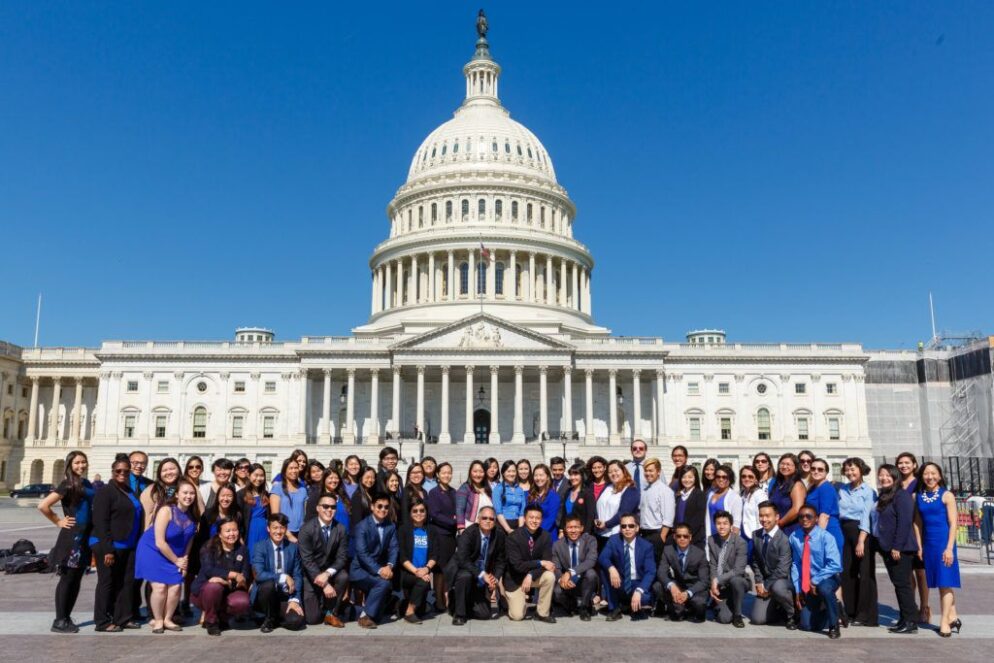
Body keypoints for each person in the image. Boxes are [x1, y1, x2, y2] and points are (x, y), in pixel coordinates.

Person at [38, 450, 94, 633]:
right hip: (73, 537)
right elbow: (43, 505)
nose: (81, 466)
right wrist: (58, 521)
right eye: (77, 463)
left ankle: (66, 616)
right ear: (70, 465)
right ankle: (59, 619)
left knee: (76, 579)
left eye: (83, 462)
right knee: (67, 578)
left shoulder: (85, 483)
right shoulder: (68, 484)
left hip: (85, 536)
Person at [135, 478, 199, 633]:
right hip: (152, 550)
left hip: (175, 554)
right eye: (185, 493)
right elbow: (159, 541)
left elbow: (188, 542)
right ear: (177, 494)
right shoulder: (166, 510)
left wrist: (184, 560)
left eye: (191, 493)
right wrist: (177, 561)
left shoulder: (193, 516)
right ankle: (157, 620)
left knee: (176, 586)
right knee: (160, 587)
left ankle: (168, 619)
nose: (188, 496)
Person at [91, 455, 144, 632]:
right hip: (109, 545)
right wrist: (108, 549)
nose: (122, 473)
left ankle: (123, 617)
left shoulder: (128, 490)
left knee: (126, 582)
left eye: (125, 471)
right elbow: (100, 521)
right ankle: (102, 620)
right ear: (112, 472)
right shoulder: (106, 491)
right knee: (107, 582)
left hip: (128, 544)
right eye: (118, 471)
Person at [867, 464, 918, 634]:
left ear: (895, 477)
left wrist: (897, 546)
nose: (884, 478)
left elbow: (904, 523)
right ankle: (905, 618)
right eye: (881, 475)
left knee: (903, 585)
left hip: (900, 549)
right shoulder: (884, 495)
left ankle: (911, 621)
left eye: (888, 475)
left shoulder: (901, 496)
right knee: (898, 584)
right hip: (888, 547)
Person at [914, 462, 962, 637]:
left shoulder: (947, 495)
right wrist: (919, 546)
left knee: (945, 581)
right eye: (926, 473)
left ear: (940, 476)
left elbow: (953, 523)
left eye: (933, 473)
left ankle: (944, 623)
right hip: (929, 544)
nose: (930, 477)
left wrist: (949, 548)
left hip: (944, 543)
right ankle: (953, 617)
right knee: (940, 581)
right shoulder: (918, 496)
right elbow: (917, 523)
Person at [445, 506, 506, 625]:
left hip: (483, 575)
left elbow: (501, 560)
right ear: (478, 519)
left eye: (491, 519)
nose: (488, 521)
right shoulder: (469, 533)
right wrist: (482, 575)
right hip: (464, 569)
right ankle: (459, 614)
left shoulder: (499, 535)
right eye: (484, 518)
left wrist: (495, 578)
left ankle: (462, 603)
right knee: (465, 576)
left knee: (485, 614)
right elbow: (463, 559)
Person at [190, 518, 251, 636]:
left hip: (230, 589)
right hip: (204, 592)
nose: (232, 534)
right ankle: (211, 621)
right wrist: (232, 575)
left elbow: (245, 574)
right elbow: (208, 570)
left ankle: (223, 617)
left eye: (235, 530)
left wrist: (230, 581)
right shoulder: (209, 547)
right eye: (228, 531)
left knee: (242, 602)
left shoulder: (242, 550)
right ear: (219, 533)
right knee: (214, 587)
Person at [297, 491, 349, 627]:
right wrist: (324, 584)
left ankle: (331, 613)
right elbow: (307, 560)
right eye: (325, 506)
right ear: (318, 508)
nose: (329, 510)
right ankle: (322, 602)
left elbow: (342, 557)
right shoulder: (306, 529)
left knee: (343, 576)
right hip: (311, 574)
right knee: (313, 619)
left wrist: (327, 574)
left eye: (333, 507)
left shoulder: (341, 529)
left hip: (330, 572)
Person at [790, 504, 842, 638]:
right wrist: (797, 589)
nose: (805, 519)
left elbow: (835, 564)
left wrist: (815, 580)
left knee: (824, 589)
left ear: (816, 519)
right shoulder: (794, 537)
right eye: (801, 517)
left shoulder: (826, 537)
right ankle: (832, 607)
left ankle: (834, 625)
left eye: (809, 516)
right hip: (808, 581)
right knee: (807, 626)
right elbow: (795, 564)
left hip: (827, 578)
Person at [838, 456, 878, 627]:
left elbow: (866, 516)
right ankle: (851, 610)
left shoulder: (868, 492)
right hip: (843, 530)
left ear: (861, 470)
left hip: (861, 531)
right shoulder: (841, 490)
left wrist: (861, 540)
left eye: (853, 468)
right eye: (847, 469)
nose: (850, 472)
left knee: (864, 573)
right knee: (847, 572)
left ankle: (865, 614)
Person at [349, 492, 399, 628]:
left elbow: (394, 548)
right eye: (379, 506)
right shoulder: (362, 526)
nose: (383, 510)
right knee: (383, 584)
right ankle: (366, 616)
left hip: (379, 568)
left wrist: (389, 566)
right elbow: (362, 554)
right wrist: (379, 570)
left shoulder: (391, 526)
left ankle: (362, 613)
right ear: (372, 507)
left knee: (379, 613)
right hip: (360, 570)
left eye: (386, 507)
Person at [251, 512, 305, 632]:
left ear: (286, 529)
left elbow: (297, 575)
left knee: (296, 622)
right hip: (266, 595)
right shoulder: (260, 546)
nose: (278, 531)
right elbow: (259, 574)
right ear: (268, 529)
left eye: (282, 528)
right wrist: (283, 576)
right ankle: (269, 618)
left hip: (285, 595)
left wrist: (294, 600)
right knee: (268, 585)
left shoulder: (292, 548)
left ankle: (276, 618)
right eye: (275, 527)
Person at [502, 504, 556, 622]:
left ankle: (542, 613)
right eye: (531, 517)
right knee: (517, 616)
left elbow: (547, 563)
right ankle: (506, 598)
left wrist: (531, 574)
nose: (534, 521)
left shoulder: (545, 536)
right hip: (515, 579)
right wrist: (539, 562)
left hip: (533, 576)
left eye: (538, 518)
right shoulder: (513, 537)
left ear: (541, 520)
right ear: (525, 518)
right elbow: (517, 565)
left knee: (550, 576)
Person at [599, 513, 656, 621]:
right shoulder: (614, 540)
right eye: (624, 526)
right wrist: (611, 568)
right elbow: (602, 557)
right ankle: (614, 608)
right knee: (604, 569)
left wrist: (639, 591)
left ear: (637, 528)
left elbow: (650, 572)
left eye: (631, 526)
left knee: (644, 598)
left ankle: (634, 607)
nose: (627, 529)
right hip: (620, 581)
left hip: (637, 583)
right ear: (620, 529)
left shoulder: (646, 546)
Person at [750, 500, 796, 628]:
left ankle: (792, 614)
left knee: (778, 587)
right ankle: (778, 610)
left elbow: (783, 569)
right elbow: (755, 561)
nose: (764, 519)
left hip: (782, 583)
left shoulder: (784, 539)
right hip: (766, 582)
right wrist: (759, 581)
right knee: (757, 619)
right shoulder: (756, 535)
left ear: (776, 517)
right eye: (761, 515)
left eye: (767, 515)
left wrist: (766, 585)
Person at [897, 451, 929, 622]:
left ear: (914, 465)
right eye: (900, 463)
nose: (903, 466)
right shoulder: (896, 483)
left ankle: (924, 607)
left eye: (907, 462)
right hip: (902, 532)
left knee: (921, 572)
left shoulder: (919, 483)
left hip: (918, 530)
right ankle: (912, 606)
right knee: (906, 573)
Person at [654, 523, 709, 622]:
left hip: (693, 588)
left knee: (699, 603)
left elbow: (704, 581)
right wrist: (672, 586)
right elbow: (661, 572)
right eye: (679, 536)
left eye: (685, 536)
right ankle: (677, 608)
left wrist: (688, 593)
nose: (682, 538)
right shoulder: (668, 550)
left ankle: (689, 608)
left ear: (690, 537)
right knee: (657, 586)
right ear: (674, 537)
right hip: (677, 587)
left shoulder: (700, 554)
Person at [397, 499, 439, 623]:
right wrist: (417, 571)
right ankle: (409, 612)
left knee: (420, 612)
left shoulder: (431, 530)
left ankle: (405, 606)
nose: (418, 513)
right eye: (415, 511)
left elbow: (435, 555)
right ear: (410, 513)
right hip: (407, 573)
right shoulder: (403, 530)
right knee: (423, 582)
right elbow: (402, 557)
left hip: (424, 572)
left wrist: (426, 569)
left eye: (422, 510)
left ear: (426, 512)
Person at [551, 514, 599, 620]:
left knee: (591, 573)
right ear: (565, 529)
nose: (573, 531)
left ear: (581, 528)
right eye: (569, 527)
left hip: (583, 579)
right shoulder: (557, 545)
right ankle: (571, 605)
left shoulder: (590, 540)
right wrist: (561, 580)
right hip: (568, 582)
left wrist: (569, 573)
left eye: (576, 527)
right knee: (557, 592)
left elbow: (590, 561)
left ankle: (585, 607)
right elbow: (556, 567)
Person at [707, 510, 748, 627]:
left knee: (736, 580)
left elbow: (738, 570)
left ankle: (738, 615)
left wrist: (717, 580)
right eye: (718, 523)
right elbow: (713, 564)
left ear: (731, 525)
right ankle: (719, 603)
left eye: (725, 523)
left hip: (736, 581)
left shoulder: (740, 542)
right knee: (724, 619)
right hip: (720, 585)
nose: (722, 526)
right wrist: (713, 583)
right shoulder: (711, 540)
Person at [426, 462, 457, 611]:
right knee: (439, 569)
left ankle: (446, 598)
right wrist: (453, 521)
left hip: (451, 536)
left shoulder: (454, 491)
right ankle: (438, 600)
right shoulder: (434, 492)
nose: (446, 475)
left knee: (448, 569)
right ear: (437, 474)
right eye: (443, 472)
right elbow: (434, 514)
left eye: (449, 472)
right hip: (439, 534)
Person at [594, 461, 640, 547]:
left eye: (616, 470)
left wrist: (606, 524)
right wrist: (597, 520)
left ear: (623, 471)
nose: (613, 474)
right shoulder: (607, 487)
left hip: (617, 535)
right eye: (610, 472)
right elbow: (597, 505)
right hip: (600, 534)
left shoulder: (630, 490)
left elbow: (623, 513)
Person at [638, 457, 674, 561]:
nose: (648, 473)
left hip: (656, 535)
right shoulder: (645, 490)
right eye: (646, 471)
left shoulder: (665, 491)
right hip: (644, 534)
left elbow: (668, 518)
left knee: (656, 566)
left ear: (658, 472)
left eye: (651, 470)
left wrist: (661, 538)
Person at [768, 453, 807, 536]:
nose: (785, 467)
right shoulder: (778, 484)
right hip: (776, 529)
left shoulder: (797, 485)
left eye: (788, 464)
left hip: (791, 529)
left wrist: (780, 523)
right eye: (782, 464)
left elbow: (797, 510)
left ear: (795, 467)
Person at [270, 457, 306, 541]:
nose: (294, 471)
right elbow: (275, 516)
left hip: (301, 533)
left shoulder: (303, 489)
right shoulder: (277, 488)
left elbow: (304, 512)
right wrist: (288, 535)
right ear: (284, 471)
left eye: (296, 468)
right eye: (291, 468)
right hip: (283, 533)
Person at [140, 457, 181, 529]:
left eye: (172, 469)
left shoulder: (186, 487)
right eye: (164, 470)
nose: (168, 472)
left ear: (178, 470)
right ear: (159, 473)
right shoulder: (151, 490)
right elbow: (145, 517)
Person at [738, 465, 768, 561]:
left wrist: (760, 539)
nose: (747, 479)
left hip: (753, 536)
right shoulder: (742, 494)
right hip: (742, 535)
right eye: (744, 476)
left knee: (754, 564)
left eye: (750, 476)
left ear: (756, 479)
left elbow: (764, 517)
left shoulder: (759, 494)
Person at [673, 466, 707, 548]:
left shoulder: (700, 494)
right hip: (679, 538)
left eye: (690, 477)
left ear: (695, 479)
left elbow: (699, 519)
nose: (687, 480)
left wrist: (686, 534)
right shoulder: (678, 495)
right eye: (684, 477)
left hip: (694, 539)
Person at [240, 464, 271, 555]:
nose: (259, 478)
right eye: (256, 475)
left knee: (263, 557)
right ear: (249, 475)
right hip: (249, 530)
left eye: (261, 476)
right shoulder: (241, 495)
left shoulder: (266, 495)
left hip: (264, 530)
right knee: (250, 557)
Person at [455, 459, 493, 530]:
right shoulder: (465, 488)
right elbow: (459, 509)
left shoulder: (488, 489)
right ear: (470, 473)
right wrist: (461, 528)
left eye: (481, 472)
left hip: (487, 529)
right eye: (475, 471)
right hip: (470, 528)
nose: (478, 475)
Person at [706, 464, 743, 537]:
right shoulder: (710, 494)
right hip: (710, 537)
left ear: (730, 479)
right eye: (718, 477)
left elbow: (736, 524)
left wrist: (731, 545)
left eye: (724, 477)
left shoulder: (735, 497)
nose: (721, 479)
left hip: (725, 539)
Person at [528, 463, 561, 541]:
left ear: (547, 477)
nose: (538, 478)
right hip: (530, 535)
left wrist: (534, 532)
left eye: (541, 475)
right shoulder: (530, 495)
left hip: (546, 536)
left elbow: (551, 519)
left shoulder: (553, 496)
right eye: (536, 475)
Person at [558, 462, 593, 534]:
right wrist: (561, 529)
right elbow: (564, 513)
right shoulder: (568, 492)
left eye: (576, 474)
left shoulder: (587, 493)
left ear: (582, 475)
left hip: (581, 533)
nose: (572, 477)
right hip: (568, 532)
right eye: (571, 475)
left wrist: (586, 534)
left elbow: (590, 517)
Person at [492, 460, 526, 533]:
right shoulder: (498, 489)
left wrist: (519, 530)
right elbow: (498, 512)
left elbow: (521, 512)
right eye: (508, 471)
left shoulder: (520, 490)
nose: (511, 474)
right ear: (503, 473)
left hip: (518, 524)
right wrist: (508, 530)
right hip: (503, 525)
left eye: (513, 471)